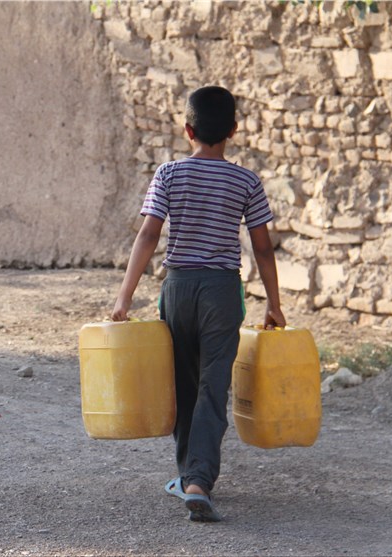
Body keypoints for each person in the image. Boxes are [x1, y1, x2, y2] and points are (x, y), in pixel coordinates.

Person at [111, 85, 286, 522]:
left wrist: (124, 296)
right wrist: (274, 304)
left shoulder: (169, 174)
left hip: (179, 288)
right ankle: (197, 481)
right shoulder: (246, 180)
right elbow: (262, 248)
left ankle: (188, 475)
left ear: (188, 130)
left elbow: (149, 235)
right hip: (222, 293)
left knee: (185, 386)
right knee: (213, 388)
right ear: (233, 129)